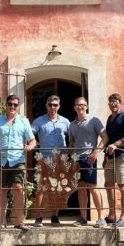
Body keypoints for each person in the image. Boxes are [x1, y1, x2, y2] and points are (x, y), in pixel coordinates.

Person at [0, 94, 37, 231]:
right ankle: (2, 221)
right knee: (3, 190)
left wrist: (30, 146)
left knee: (19, 188)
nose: (12, 107)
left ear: (18, 107)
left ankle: (19, 221)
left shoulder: (24, 122)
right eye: (10, 104)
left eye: (15, 105)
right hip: (0, 160)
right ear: (6, 105)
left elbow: (33, 140)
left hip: (18, 160)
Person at [69, 97, 108, 228]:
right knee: (80, 188)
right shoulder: (72, 125)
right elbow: (72, 143)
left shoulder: (94, 120)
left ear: (86, 106)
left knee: (92, 187)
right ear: (74, 107)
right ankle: (83, 218)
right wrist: (71, 158)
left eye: (82, 105)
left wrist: (96, 153)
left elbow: (105, 137)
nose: (80, 107)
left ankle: (101, 217)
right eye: (77, 105)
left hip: (89, 158)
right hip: (77, 160)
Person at [31, 95, 70, 227]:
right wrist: (35, 143)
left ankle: (54, 217)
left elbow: (73, 137)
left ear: (59, 106)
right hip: (44, 159)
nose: (52, 107)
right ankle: (38, 218)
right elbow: (29, 135)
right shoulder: (39, 121)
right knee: (41, 188)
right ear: (46, 106)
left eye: (55, 105)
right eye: (50, 105)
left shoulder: (66, 122)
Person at [103, 93, 124, 228]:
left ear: (120, 103)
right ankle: (112, 215)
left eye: (115, 102)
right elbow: (108, 140)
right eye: (111, 102)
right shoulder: (109, 119)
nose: (113, 104)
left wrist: (116, 144)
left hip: (122, 155)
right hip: (110, 157)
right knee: (108, 185)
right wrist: (105, 157)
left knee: (122, 185)